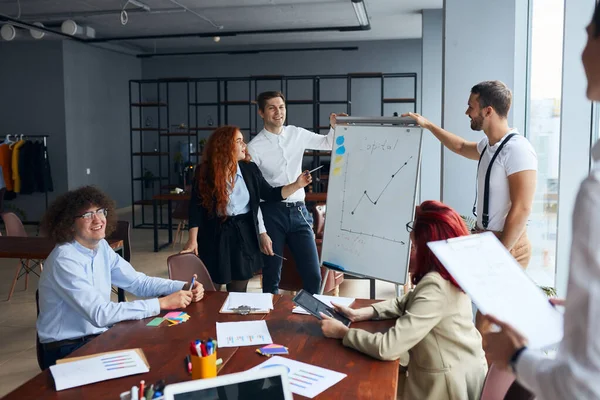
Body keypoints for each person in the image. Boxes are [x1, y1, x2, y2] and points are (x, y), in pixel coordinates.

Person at [482, 5, 600, 399]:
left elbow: (585, 383)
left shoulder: (594, 191)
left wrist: (517, 360)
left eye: (587, 34)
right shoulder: (487, 147)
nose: (581, 50)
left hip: (503, 245)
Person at [319, 201, 488, 400]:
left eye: (414, 246)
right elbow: (408, 301)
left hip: (447, 387)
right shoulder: (447, 273)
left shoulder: (436, 287)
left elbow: (388, 347)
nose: (410, 251)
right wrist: (363, 312)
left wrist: (344, 333)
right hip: (462, 369)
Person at [37, 186, 204, 369]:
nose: (98, 219)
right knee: (153, 364)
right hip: (67, 348)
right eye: (87, 215)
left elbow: (138, 282)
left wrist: (182, 286)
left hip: (97, 337)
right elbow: (100, 314)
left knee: (164, 352)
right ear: (69, 224)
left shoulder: (101, 247)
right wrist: (162, 303)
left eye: (101, 211)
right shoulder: (65, 259)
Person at [404, 81, 537, 269]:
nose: (467, 112)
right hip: (485, 238)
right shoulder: (489, 146)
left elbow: (523, 207)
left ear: (488, 111)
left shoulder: (518, 150)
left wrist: (500, 253)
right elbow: (460, 146)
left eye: (471, 107)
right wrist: (427, 125)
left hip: (508, 245)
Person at [181, 126, 312, 292]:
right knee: (209, 292)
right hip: (214, 236)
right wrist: (192, 239)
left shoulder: (250, 169)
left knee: (238, 293)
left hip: (243, 236)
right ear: (224, 145)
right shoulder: (205, 172)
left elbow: (271, 194)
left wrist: (297, 185)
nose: (245, 145)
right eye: (239, 141)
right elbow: (196, 208)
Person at [247, 90, 346, 294]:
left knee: (313, 275)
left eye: (281, 107)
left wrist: (334, 127)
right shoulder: (254, 148)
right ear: (261, 113)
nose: (278, 112)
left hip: (299, 212)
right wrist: (262, 231)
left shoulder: (296, 134)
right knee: (272, 276)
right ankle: (271, 322)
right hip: (271, 213)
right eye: (272, 108)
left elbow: (327, 143)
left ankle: (311, 321)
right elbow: (254, 196)